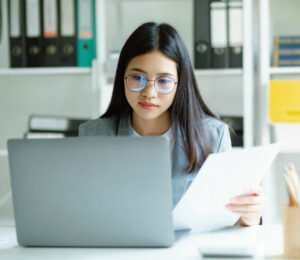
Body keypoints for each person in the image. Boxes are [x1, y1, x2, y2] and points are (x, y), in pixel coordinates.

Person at [79, 22, 265, 226]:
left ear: (180, 83)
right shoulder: (94, 135)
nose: (149, 93)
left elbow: (230, 224)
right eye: (137, 77)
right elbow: (84, 215)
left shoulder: (213, 137)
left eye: (164, 81)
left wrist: (250, 216)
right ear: (122, 77)